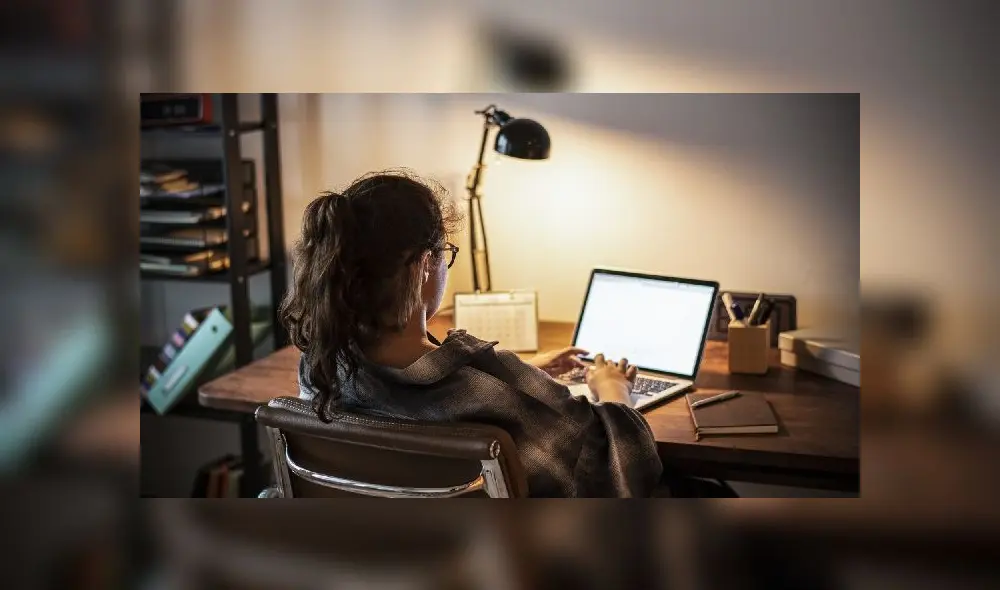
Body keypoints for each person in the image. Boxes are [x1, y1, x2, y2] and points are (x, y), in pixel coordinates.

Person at [279, 169, 663, 497]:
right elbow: (618, 462)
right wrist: (614, 388)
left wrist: (520, 372)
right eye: (445, 252)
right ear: (425, 265)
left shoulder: (320, 369)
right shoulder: (492, 391)